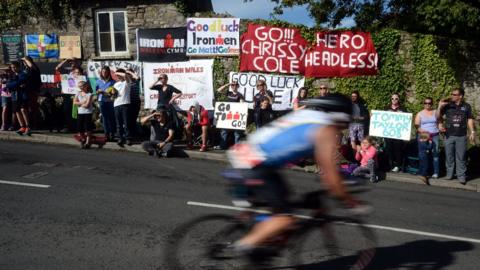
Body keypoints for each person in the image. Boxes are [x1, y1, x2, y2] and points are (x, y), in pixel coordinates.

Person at [226, 93, 368, 256]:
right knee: (286, 218)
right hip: (256, 164)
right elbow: (330, 177)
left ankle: (259, 235)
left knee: (284, 200)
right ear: (341, 115)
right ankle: (243, 246)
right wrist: (352, 203)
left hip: (245, 156)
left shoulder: (307, 114)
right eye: (348, 118)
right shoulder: (326, 129)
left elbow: (320, 160)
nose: (346, 124)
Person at [437, 88, 476, 184]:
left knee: (461, 157)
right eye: (452, 94)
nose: (452, 96)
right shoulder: (447, 105)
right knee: (449, 156)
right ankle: (449, 174)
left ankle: (461, 176)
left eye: (454, 94)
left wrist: (472, 132)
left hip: (461, 135)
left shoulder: (466, 106)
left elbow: (470, 119)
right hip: (449, 135)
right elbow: (438, 117)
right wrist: (439, 107)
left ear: (460, 96)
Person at [414, 97, 440, 184]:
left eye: (429, 103)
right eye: (426, 103)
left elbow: (439, 121)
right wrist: (424, 132)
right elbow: (417, 126)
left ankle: (435, 172)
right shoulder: (420, 114)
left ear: (432, 104)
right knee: (423, 155)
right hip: (424, 136)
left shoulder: (436, 112)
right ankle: (423, 173)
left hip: (435, 135)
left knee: (435, 154)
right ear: (423, 104)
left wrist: (441, 127)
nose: (427, 105)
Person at [216, 80, 245, 150]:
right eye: (232, 85)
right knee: (224, 131)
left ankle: (236, 147)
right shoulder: (228, 93)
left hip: (235, 116)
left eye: (235, 85)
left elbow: (242, 105)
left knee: (237, 133)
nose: (234, 86)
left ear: (238, 86)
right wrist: (228, 84)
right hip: (227, 116)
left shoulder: (240, 95)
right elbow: (218, 90)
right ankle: (223, 146)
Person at [6, 61, 31, 135]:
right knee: (17, 111)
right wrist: (15, 84)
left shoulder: (23, 74)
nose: (13, 69)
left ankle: (28, 127)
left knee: (23, 109)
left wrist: (15, 84)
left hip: (22, 95)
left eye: (15, 67)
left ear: (18, 67)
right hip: (14, 96)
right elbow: (8, 85)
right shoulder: (12, 75)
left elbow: (20, 81)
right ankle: (22, 127)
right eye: (12, 67)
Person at [384, 93, 407, 172]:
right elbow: (382, 118)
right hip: (388, 133)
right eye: (392, 98)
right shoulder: (386, 108)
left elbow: (406, 120)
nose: (394, 100)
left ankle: (397, 165)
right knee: (389, 149)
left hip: (398, 133)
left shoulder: (403, 109)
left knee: (398, 149)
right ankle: (390, 165)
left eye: (396, 98)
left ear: (398, 99)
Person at [96, 66, 116, 141]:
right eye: (103, 72)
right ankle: (106, 134)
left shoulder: (113, 82)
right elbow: (96, 92)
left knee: (111, 118)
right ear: (101, 72)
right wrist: (98, 92)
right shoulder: (98, 81)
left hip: (110, 102)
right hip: (102, 101)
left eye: (106, 72)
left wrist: (109, 93)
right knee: (104, 118)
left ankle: (112, 134)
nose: (104, 73)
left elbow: (114, 93)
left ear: (108, 73)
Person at [113, 69, 131, 146]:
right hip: (116, 104)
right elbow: (114, 95)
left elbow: (126, 76)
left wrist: (118, 72)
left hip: (125, 104)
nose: (118, 76)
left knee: (126, 123)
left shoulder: (127, 82)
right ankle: (120, 138)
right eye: (117, 75)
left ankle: (127, 138)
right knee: (118, 124)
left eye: (119, 75)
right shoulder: (115, 84)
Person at [73, 81, 94, 149]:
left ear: (85, 86)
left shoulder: (89, 94)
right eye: (79, 86)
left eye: (81, 86)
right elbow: (74, 102)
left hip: (87, 113)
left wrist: (80, 103)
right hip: (80, 113)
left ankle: (87, 142)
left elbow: (87, 105)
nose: (80, 88)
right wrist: (82, 102)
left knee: (88, 128)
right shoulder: (78, 93)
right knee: (79, 128)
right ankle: (83, 139)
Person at [126, 68, 141, 137]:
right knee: (128, 119)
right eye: (128, 74)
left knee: (134, 118)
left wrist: (130, 72)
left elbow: (137, 77)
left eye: (130, 74)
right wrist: (127, 74)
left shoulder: (136, 81)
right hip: (129, 103)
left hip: (136, 102)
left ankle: (133, 133)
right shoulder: (126, 82)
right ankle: (129, 134)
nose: (129, 75)